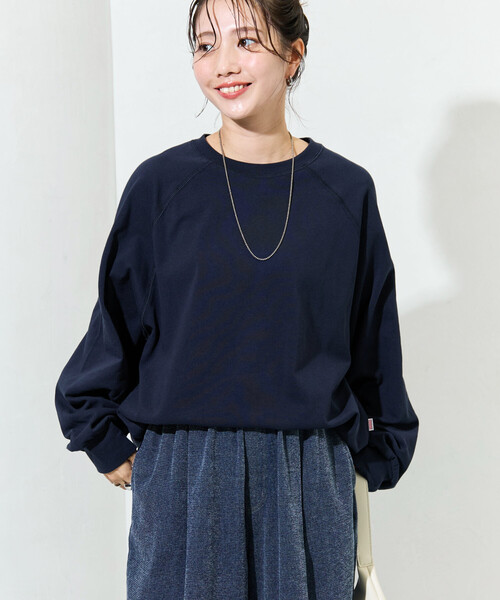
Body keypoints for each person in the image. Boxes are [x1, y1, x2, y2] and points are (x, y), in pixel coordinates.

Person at [54, 0, 419, 598]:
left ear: (294, 55)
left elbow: (372, 340)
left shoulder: (346, 192)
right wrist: (104, 440)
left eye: (246, 41)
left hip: (308, 476)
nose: (222, 62)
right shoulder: (160, 187)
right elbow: (113, 329)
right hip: (185, 476)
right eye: (205, 45)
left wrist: (374, 456)